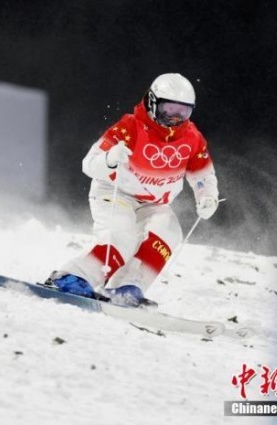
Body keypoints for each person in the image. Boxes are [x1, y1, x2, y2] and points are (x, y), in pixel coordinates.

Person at [46, 73, 219, 307]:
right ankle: (72, 276)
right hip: (116, 192)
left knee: (168, 233)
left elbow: (203, 175)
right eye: (169, 109)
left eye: (184, 111)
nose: (176, 118)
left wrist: (207, 196)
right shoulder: (130, 127)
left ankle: (125, 287)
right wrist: (110, 158)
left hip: (154, 203)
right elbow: (89, 164)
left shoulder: (192, 138)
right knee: (122, 237)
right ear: (152, 102)